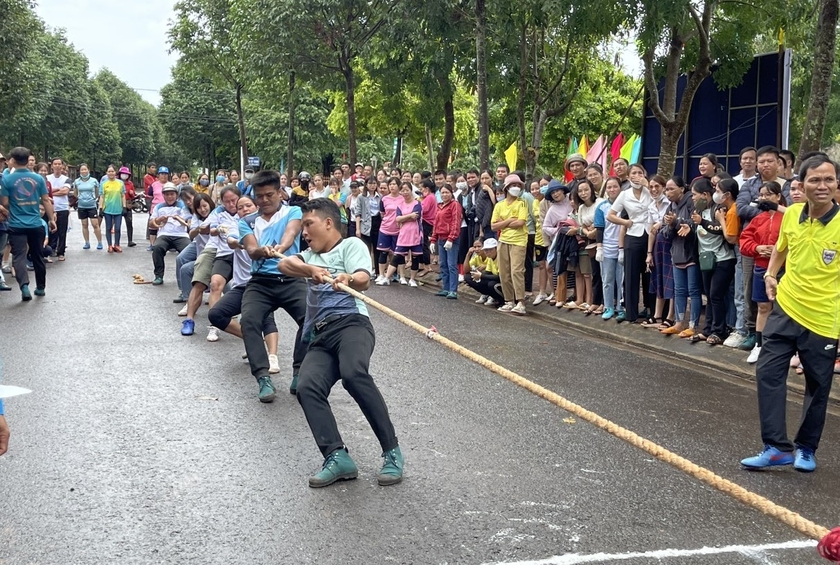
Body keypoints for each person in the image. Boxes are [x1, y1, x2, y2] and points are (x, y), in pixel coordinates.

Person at [277, 198, 403, 488]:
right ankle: (337, 456)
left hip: (352, 324)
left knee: (353, 373)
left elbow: (363, 278)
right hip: (320, 335)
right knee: (307, 387)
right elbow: (286, 264)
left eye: (308, 225)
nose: (304, 232)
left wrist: (348, 277)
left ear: (328, 223)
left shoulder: (351, 246)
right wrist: (310, 271)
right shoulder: (308, 256)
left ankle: (392, 453)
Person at [740, 154, 840, 473]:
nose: (822, 185)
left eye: (828, 179)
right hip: (785, 309)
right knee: (768, 374)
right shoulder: (793, 213)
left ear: (837, 184)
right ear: (801, 183)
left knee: (817, 386)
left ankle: (806, 448)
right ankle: (776, 447)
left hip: (823, 318)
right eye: (815, 179)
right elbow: (782, 247)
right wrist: (771, 274)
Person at [238, 170, 307, 400]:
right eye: (259, 196)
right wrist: (260, 251)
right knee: (249, 320)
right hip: (261, 283)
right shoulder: (246, 221)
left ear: (280, 193)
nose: (264, 200)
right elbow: (250, 250)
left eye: (269, 195)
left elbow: (291, 234)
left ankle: (299, 372)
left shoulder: (293, 211)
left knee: (311, 319)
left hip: (291, 277)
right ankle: (263, 378)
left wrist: (280, 248)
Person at [208, 195, 281, 371]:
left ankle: (272, 357)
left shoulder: (266, 228)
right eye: (240, 208)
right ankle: (254, 342)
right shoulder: (237, 227)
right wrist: (242, 243)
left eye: (248, 205)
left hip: (262, 282)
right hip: (241, 285)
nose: (244, 209)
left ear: (256, 206)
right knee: (216, 314)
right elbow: (231, 241)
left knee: (266, 317)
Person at [734, 146, 791, 352]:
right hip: (755, 246)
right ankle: (752, 333)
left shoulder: (789, 186)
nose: (765, 164)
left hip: (783, 251)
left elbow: (792, 211)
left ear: (779, 163)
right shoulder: (750, 184)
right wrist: (763, 210)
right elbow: (740, 208)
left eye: (770, 161)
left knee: (782, 295)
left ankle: (780, 338)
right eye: (762, 161)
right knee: (750, 290)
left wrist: (765, 205)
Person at [181, 185, 241, 342]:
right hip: (216, 249)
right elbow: (207, 229)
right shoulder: (218, 213)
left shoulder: (247, 209)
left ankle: (252, 327)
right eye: (226, 201)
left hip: (241, 251)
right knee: (202, 282)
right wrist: (214, 228)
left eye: (233, 200)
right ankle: (190, 320)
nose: (231, 204)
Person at [0, 147, 56, 301]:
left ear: (13, 160)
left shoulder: (6, 179)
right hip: (35, 223)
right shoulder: (38, 179)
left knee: (19, 256)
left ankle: (24, 286)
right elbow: (45, 199)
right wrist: (51, 219)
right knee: (37, 255)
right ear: (27, 160)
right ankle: (40, 287)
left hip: (16, 224)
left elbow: (4, 202)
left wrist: (13, 207)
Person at [739, 181, 785, 364]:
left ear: (778, 196)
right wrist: (757, 248)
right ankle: (759, 345)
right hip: (761, 267)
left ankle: (782, 348)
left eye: (769, 194)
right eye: (762, 195)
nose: (765, 198)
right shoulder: (758, 218)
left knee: (783, 309)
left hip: (783, 269)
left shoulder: (787, 217)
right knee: (763, 307)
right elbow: (744, 241)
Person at [607, 164, 654, 323]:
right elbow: (611, 215)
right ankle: (631, 313)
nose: (637, 176)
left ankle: (651, 310)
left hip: (650, 234)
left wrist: (648, 184)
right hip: (633, 235)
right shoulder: (624, 194)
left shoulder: (650, 191)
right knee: (631, 275)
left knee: (649, 274)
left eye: (640, 172)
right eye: (633, 173)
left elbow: (661, 201)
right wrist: (625, 222)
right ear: (628, 177)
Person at [491, 174, 529, 314]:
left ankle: (520, 302)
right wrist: (508, 221)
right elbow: (493, 226)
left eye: (518, 185)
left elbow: (520, 222)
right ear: (507, 187)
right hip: (503, 240)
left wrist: (503, 222)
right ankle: (509, 301)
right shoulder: (499, 205)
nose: (516, 188)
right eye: (513, 185)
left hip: (519, 241)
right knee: (504, 272)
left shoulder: (522, 203)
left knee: (516, 271)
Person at [150, 182, 192, 285]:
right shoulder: (159, 207)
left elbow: (189, 223)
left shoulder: (183, 206)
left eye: (172, 194)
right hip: (164, 235)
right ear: (163, 195)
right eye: (167, 194)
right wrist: (159, 219)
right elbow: (151, 224)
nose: (170, 197)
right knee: (157, 247)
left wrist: (178, 218)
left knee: (188, 251)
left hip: (181, 235)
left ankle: (188, 277)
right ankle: (158, 275)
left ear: (176, 195)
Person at [429, 184, 462, 298]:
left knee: (452, 264)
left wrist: (451, 238)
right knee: (443, 264)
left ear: (451, 193)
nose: (444, 195)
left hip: (451, 239)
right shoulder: (440, 206)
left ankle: (453, 290)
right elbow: (436, 223)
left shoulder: (455, 205)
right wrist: (433, 239)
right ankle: (446, 287)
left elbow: (455, 222)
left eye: (447, 192)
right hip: (441, 238)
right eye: (442, 193)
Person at [46, 157, 71, 261]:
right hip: (50, 208)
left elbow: (65, 192)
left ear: (62, 166)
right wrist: (56, 191)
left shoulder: (66, 179)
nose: (57, 166)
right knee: (51, 230)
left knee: (62, 231)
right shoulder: (47, 178)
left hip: (62, 208)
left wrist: (51, 192)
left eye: (59, 164)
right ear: (52, 166)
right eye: (55, 164)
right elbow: (45, 192)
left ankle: (61, 252)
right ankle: (50, 250)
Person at [466, 237, 504, 305]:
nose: (488, 252)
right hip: (497, 280)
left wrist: (481, 275)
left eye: (490, 249)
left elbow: (500, 277)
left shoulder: (501, 258)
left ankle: (503, 301)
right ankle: (491, 296)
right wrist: (477, 275)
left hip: (504, 283)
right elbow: (488, 272)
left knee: (491, 284)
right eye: (486, 250)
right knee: (470, 278)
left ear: (496, 248)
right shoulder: (490, 258)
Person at [73, 163, 103, 250]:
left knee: (95, 224)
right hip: (82, 206)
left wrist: (94, 198)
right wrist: (80, 198)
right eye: (82, 170)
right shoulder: (77, 181)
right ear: (80, 171)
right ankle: (87, 242)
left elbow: (97, 192)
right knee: (84, 224)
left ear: (88, 170)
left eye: (85, 169)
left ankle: (99, 242)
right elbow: (75, 193)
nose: (84, 171)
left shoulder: (94, 181)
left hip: (92, 205)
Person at [99, 165, 127, 253]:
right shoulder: (104, 184)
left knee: (117, 228)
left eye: (112, 171)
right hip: (107, 209)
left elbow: (123, 196)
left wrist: (124, 207)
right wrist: (100, 208)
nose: (111, 173)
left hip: (118, 209)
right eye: (109, 171)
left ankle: (117, 244)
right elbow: (102, 197)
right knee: (108, 228)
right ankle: (109, 245)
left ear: (115, 173)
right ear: (106, 173)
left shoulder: (120, 183)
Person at [147, 166, 170, 250]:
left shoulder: (170, 185)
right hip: (155, 208)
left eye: (165, 174)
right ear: (158, 175)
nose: (164, 176)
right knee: (153, 226)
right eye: (162, 174)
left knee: (167, 226)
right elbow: (149, 196)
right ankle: (152, 244)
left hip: (167, 208)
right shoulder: (154, 185)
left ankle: (168, 245)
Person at [119, 166, 137, 247]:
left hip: (128, 205)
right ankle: (116, 241)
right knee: (117, 224)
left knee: (129, 223)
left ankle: (130, 240)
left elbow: (134, 195)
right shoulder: (117, 183)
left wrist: (131, 193)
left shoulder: (130, 184)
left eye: (126, 174)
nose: (124, 175)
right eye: (123, 174)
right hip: (118, 205)